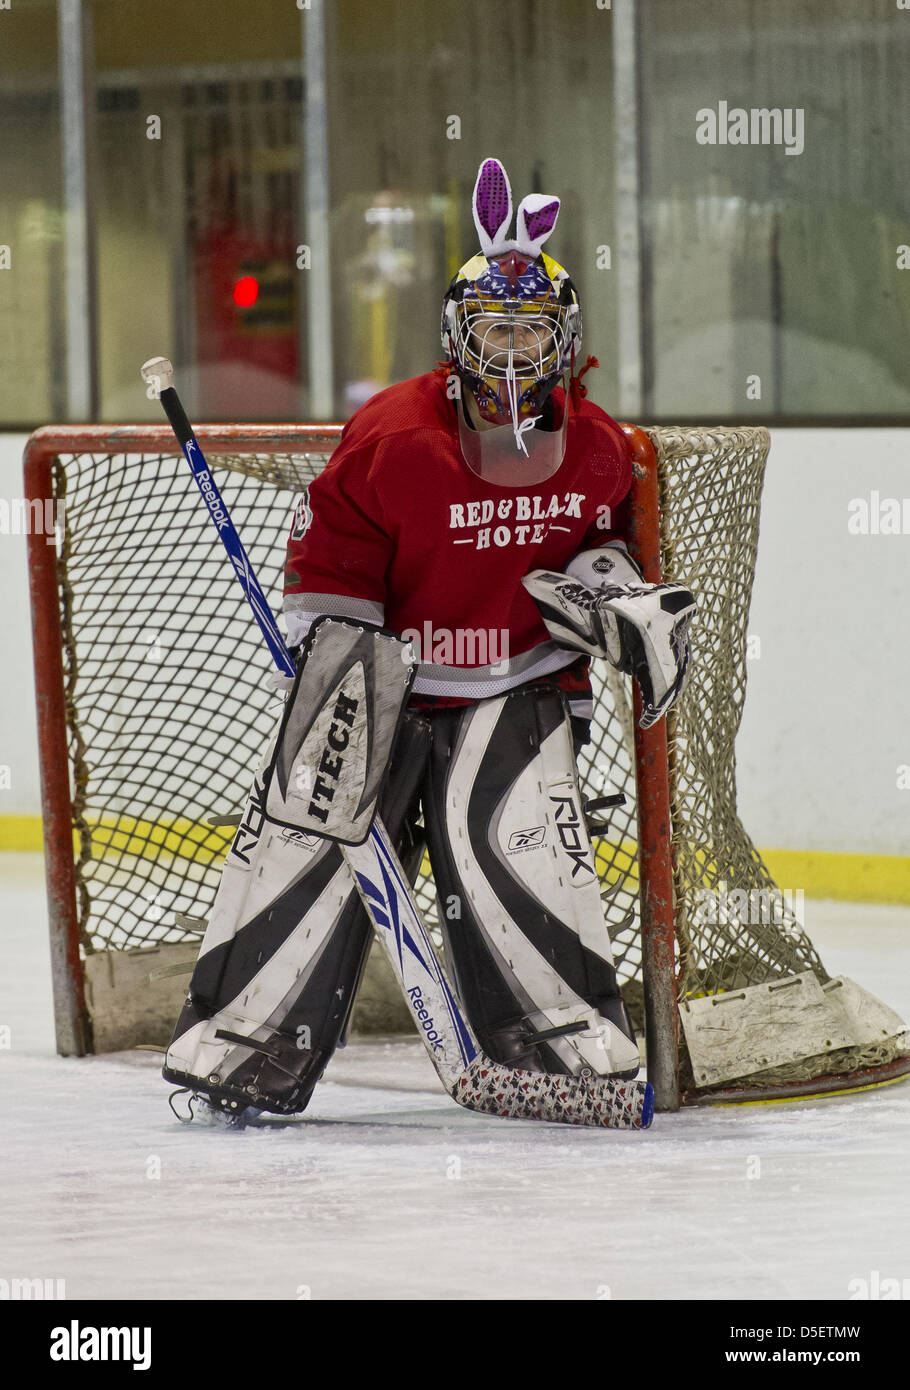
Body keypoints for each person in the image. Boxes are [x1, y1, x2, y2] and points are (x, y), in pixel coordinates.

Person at [163, 157, 694, 1118]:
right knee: (307, 840)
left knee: (518, 849)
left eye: (534, 331)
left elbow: (596, 547)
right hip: (387, 680)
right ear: (458, 335)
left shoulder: (597, 446)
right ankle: (242, 1048)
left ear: (566, 339)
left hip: (514, 681)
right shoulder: (395, 438)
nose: (513, 352)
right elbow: (334, 565)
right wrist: (338, 663)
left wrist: (618, 601)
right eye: (495, 329)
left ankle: (557, 1053)